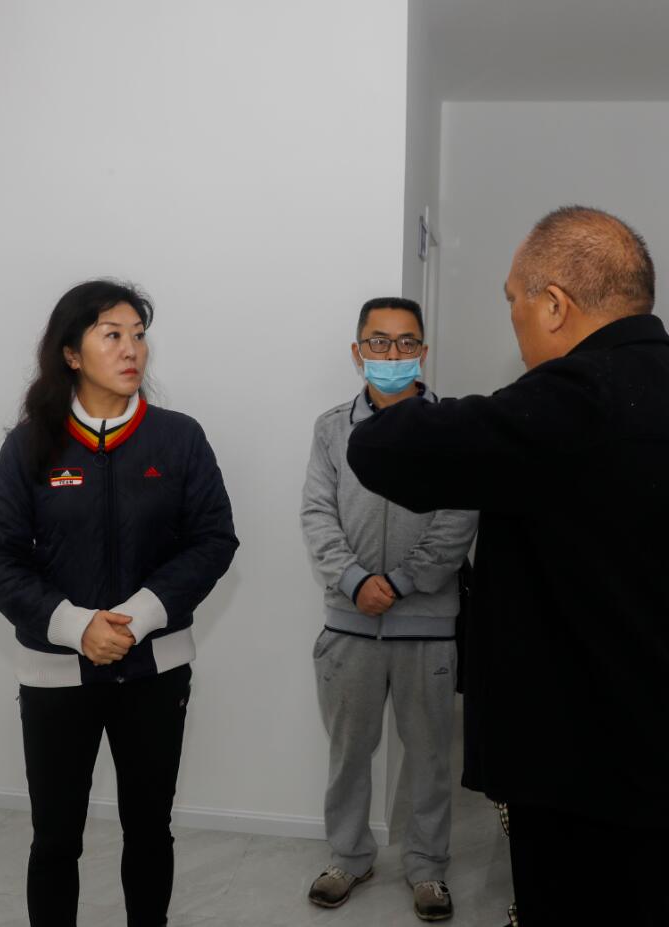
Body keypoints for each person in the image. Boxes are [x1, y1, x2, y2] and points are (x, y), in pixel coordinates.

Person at [346, 207, 669, 927]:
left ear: (553, 304)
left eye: (513, 300)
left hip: (586, 770)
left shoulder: (578, 396)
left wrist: (392, 388)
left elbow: (384, 450)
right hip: (662, 750)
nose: (515, 320)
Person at [0, 279, 238, 927]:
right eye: (112, 334)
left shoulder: (179, 439)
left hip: (155, 669)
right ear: (71, 353)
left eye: (138, 335)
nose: (131, 349)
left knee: (149, 828)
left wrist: (140, 616)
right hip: (56, 674)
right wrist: (76, 625)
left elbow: (212, 540)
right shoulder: (30, 444)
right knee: (56, 837)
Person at [301, 296, 478, 922]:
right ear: (358, 352)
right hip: (348, 624)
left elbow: (459, 518)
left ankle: (428, 868)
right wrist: (355, 582)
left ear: (423, 351)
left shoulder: (452, 429)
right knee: (348, 752)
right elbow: (317, 513)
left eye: (406, 343)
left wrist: (400, 583)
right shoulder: (331, 429)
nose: (392, 354)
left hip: (427, 626)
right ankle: (348, 857)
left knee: (429, 758)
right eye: (379, 342)